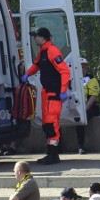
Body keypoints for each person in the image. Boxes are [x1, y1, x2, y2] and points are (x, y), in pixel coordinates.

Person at [21, 27, 70, 164]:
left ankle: (53, 155)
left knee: (51, 124)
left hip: (54, 93)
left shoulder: (52, 51)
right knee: (46, 124)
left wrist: (63, 90)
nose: (34, 39)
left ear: (41, 37)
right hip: (47, 93)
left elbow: (65, 71)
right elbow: (36, 65)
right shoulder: (43, 51)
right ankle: (51, 153)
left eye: (35, 36)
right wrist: (27, 74)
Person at [76, 58, 100, 154]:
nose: (82, 70)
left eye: (84, 67)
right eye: (80, 67)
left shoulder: (91, 79)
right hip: (76, 107)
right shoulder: (72, 79)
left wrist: (84, 109)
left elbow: (93, 96)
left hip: (90, 107)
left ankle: (81, 146)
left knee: (80, 118)